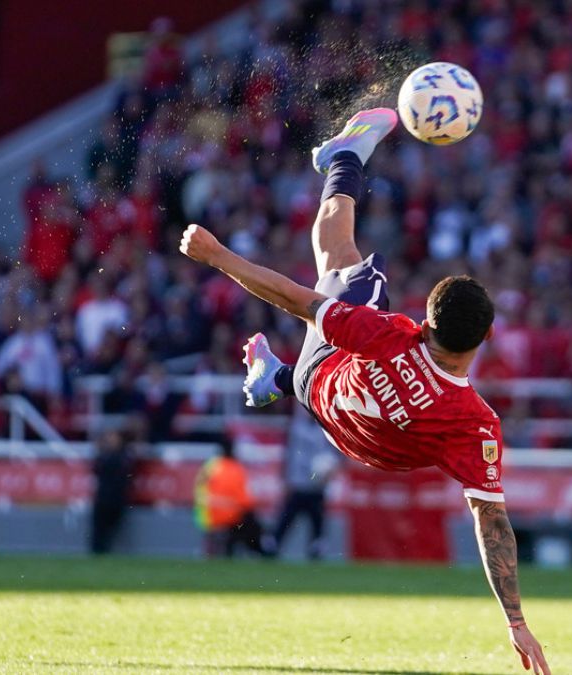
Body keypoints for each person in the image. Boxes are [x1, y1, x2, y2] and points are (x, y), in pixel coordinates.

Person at [179, 108, 550, 674]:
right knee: (340, 268)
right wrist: (516, 623)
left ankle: (343, 159)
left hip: (320, 382)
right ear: (488, 337)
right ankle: (271, 378)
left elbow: (295, 298)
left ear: (426, 324)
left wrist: (217, 256)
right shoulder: (475, 425)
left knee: (342, 263)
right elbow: (491, 523)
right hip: (344, 431)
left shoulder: (392, 337)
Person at [268, 406, 339, 560]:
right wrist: (285, 478)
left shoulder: (325, 428)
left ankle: (316, 547)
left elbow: (334, 455)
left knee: (316, 520)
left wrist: (330, 468)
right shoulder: (296, 427)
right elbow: (288, 454)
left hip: (316, 485)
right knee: (287, 518)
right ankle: (273, 545)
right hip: (298, 483)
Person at [194, 442, 267, 558]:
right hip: (230, 518)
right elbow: (247, 501)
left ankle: (213, 549)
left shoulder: (209, 466)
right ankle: (259, 551)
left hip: (206, 517)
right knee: (249, 522)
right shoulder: (236, 469)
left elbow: (198, 490)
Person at [90, 429, 135, 554]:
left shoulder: (123, 456)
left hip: (116, 498)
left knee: (111, 529)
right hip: (103, 497)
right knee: (99, 530)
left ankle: (104, 551)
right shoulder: (105, 456)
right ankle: (97, 552)